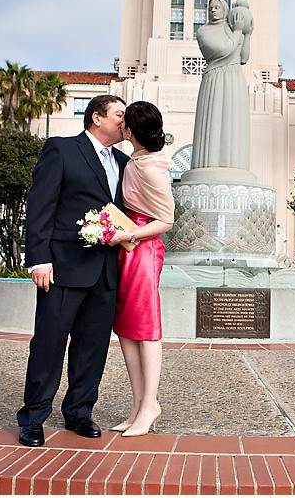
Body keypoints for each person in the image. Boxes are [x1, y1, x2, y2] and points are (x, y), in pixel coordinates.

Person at [17, 94, 129, 448]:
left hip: (107, 271)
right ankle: (34, 417)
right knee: (49, 343)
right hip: (63, 266)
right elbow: (40, 205)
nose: (124, 122)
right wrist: (38, 258)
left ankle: (79, 412)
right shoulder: (62, 150)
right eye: (119, 115)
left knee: (93, 346)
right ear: (97, 118)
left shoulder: (126, 163)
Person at [106, 101, 175, 437]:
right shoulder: (136, 160)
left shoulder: (151, 168)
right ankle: (138, 406)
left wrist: (129, 233)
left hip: (144, 250)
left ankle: (150, 405)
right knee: (126, 327)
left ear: (131, 132)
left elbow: (167, 220)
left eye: (124, 122)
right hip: (128, 246)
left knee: (146, 329)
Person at [188, 0, 253, 171]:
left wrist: (246, 35)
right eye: (210, 8)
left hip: (234, 77)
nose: (213, 10)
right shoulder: (203, 31)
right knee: (213, 121)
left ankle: (235, 166)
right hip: (215, 78)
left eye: (217, 7)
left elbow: (244, 57)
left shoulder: (231, 27)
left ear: (225, 9)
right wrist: (239, 31)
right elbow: (224, 49)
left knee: (234, 122)